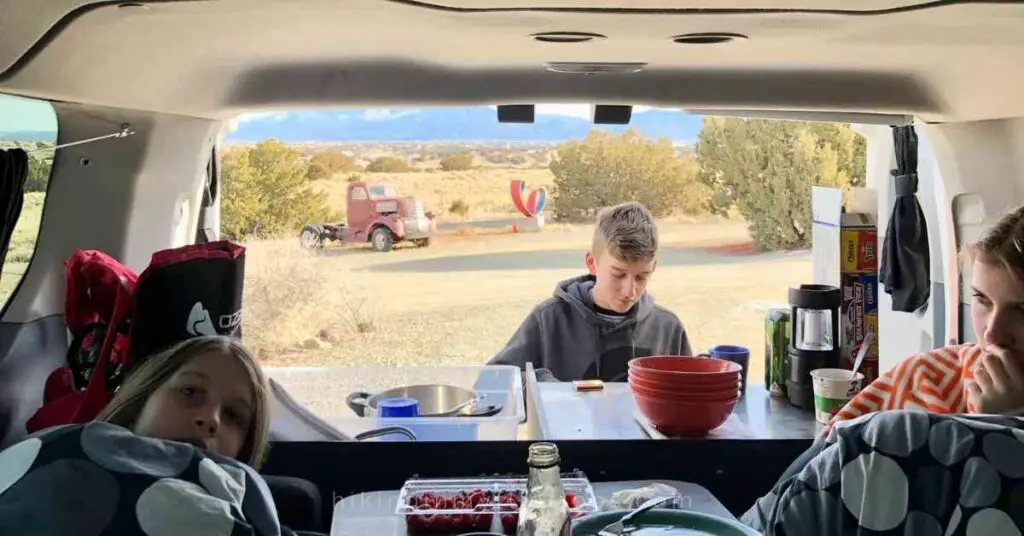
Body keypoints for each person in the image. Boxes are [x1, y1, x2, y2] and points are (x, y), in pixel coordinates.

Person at [742, 205, 1024, 534]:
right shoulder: (927, 375)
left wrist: (1004, 432)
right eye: (981, 299)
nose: (992, 333)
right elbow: (798, 494)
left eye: (1021, 310)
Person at [0, 336, 299, 535]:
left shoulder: (250, 508)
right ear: (141, 401)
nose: (210, 419)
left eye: (234, 416)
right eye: (190, 392)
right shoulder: (62, 452)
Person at [488, 201, 692, 382]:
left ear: (653, 268)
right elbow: (493, 380)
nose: (630, 291)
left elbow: (690, 398)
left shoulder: (668, 328)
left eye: (641, 277)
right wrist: (541, 386)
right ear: (592, 263)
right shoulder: (549, 320)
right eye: (618, 274)